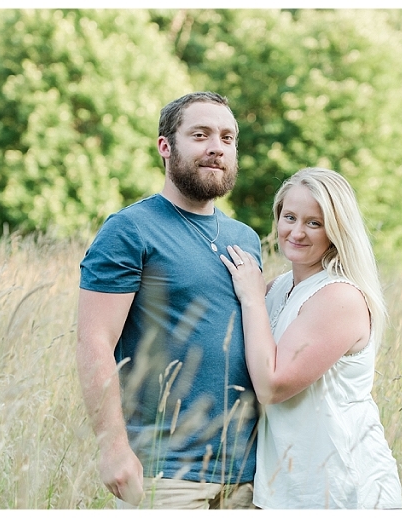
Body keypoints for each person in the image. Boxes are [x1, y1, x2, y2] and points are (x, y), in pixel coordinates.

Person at [77, 92, 262, 509]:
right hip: (167, 474)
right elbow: (94, 342)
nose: (217, 147)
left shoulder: (246, 239)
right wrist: (112, 447)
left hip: (249, 475)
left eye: (228, 138)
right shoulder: (130, 231)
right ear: (166, 146)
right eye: (200, 134)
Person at [220, 167, 402, 509]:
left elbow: (272, 385)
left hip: (342, 487)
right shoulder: (276, 290)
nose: (297, 232)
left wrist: (249, 298)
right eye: (289, 217)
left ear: (336, 230)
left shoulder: (339, 297)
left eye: (314, 223)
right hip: (286, 486)